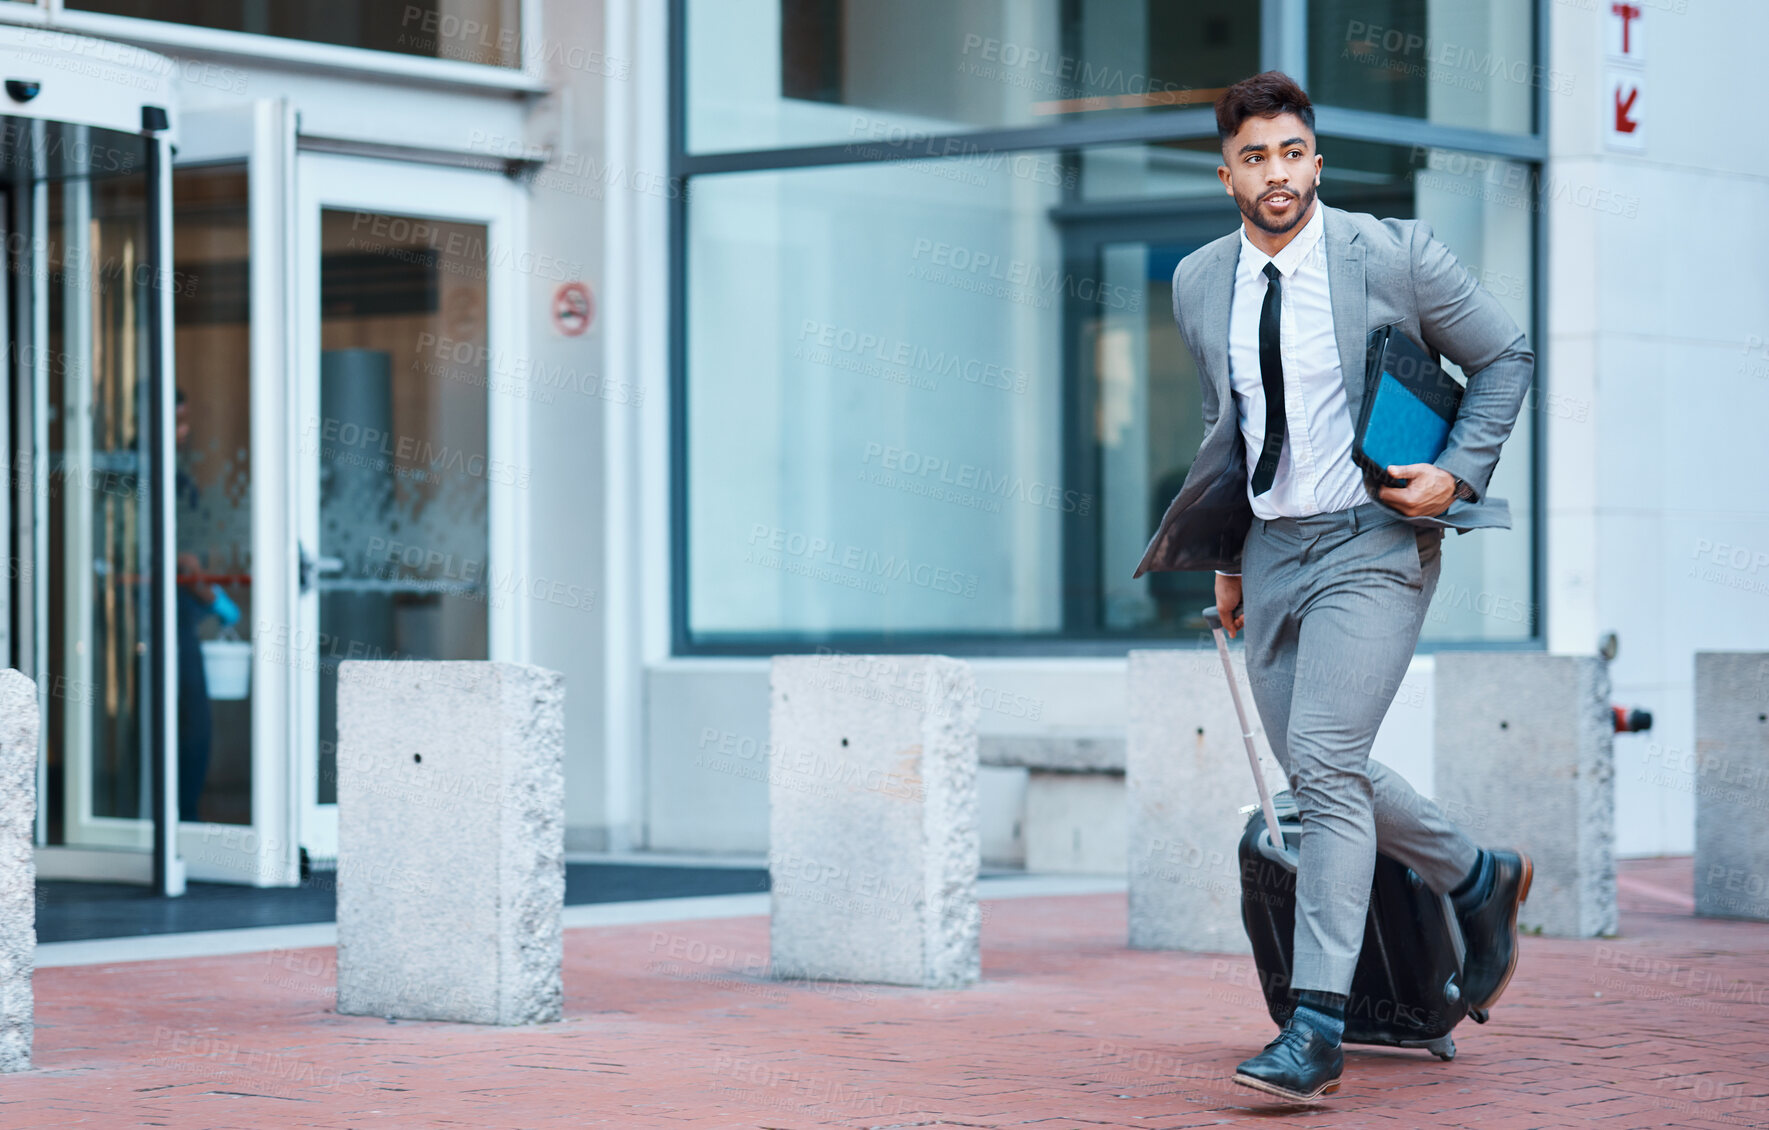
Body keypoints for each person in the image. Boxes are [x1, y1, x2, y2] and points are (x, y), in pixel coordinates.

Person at [1131, 72, 1534, 1102]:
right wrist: (1225, 559)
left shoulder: (1391, 255)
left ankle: (1314, 1020)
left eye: (1292, 151)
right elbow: (1232, 429)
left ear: (1315, 160)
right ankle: (1477, 874)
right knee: (1326, 767)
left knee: (1319, 758)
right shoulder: (1197, 281)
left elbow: (1503, 354)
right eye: (1255, 156)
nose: (1278, 172)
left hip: (1373, 537)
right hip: (1269, 549)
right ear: (1227, 175)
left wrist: (1461, 469)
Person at [174, 389, 240, 822]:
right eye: (178, 421)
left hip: (159, 614)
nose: (184, 431)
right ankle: (184, 819)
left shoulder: (140, 471)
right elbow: (184, 558)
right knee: (192, 724)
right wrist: (214, 598)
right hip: (172, 615)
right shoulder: (165, 477)